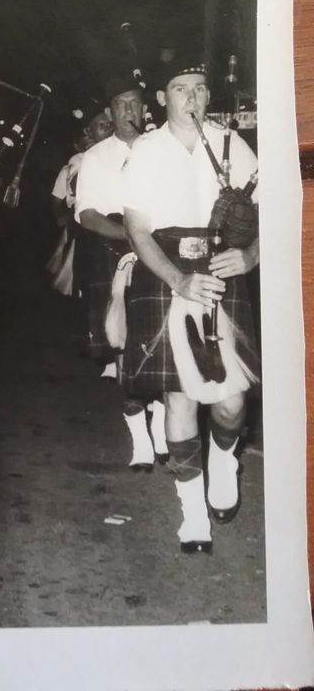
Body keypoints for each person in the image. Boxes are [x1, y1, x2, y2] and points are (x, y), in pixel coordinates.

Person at [122, 57, 259, 553]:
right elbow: (138, 231)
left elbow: (277, 206)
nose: (193, 99)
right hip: (168, 273)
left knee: (230, 402)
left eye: (200, 89)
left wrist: (249, 254)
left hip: (222, 273)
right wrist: (180, 281)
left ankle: (224, 457)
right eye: (181, 89)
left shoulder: (229, 144)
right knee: (180, 397)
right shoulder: (146, 151)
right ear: (163, 98)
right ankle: (192, 512)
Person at [75, 74, 169, 470]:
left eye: (135, 103)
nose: (130, 111)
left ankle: (164, 429)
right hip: (114, 254)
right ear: (110, 113)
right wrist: (132, 236)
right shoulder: (96, 157)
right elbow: (87, 214)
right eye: (121, 105)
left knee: (162, 341)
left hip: (161, 252)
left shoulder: (162, 149)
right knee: (124, 348)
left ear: (146, 106)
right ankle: (140, 442)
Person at [47, 101, 113, 298]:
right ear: (88, 131)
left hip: (108, 221)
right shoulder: (80, 160)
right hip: (86, 224)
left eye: (110, 124)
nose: (108, 129)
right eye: (102, 125)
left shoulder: (112, 153)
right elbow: (72, 188)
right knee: (85, 271)